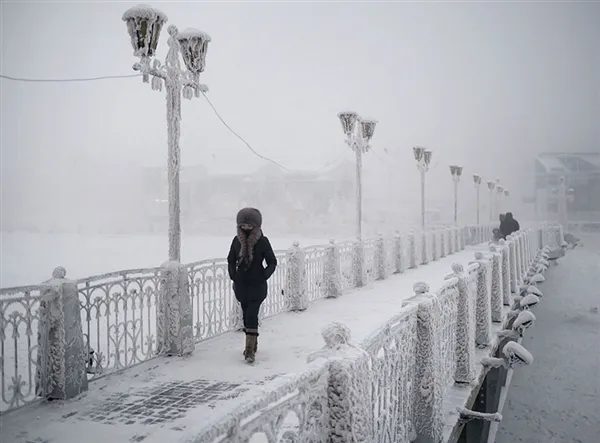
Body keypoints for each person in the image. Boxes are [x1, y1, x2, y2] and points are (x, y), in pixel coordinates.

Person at [227, 208, 277, 363]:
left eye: (249, 225)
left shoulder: (263, 241)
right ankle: (253, 343)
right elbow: (230, 259)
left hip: (257, 286)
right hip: (241, 286)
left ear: (256, 225)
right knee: (245, 315)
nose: (246, 228)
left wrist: (263, 275)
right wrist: (233, 275)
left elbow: (272, 262)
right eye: (243, 225)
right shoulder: (236, 241)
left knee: (251, 315)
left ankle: (249, 351)